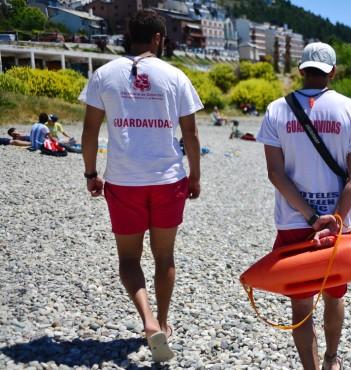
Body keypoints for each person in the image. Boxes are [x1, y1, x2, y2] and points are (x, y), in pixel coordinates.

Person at [79, 10, 203, 363]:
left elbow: (89, 132)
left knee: (129, 258)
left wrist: (91, 173)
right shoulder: (175, 76)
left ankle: (148, 321)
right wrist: (195, 175)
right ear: (159, 39)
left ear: (128, 35)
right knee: (164, 256)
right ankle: (164, 320)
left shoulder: (103, 74)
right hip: (167, 179)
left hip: (123, 180)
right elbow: (190, 135)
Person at [256, 42, 351, 370]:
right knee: (335, 295)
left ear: (301, 70)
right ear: (332, 72)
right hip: (337, 228)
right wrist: (334, 217)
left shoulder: (276, 110)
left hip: (294, 223)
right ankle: (331, 359)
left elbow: (275, 173)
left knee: (301, 302)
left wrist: (310, 216)